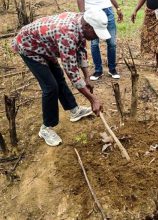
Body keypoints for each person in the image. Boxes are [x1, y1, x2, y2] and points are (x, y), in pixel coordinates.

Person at [12, 9, 110, 146]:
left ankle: (74, 110)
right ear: (87, 26)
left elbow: (81, 50)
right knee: (51, 87)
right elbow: (72, 72)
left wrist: (87, 77)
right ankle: (46, 128)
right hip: (29, 47)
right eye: (95, 32)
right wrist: (93, 99)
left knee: (59, 77)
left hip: (46, 46)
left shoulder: (81, 24)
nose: (96, 37)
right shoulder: (67, 34)